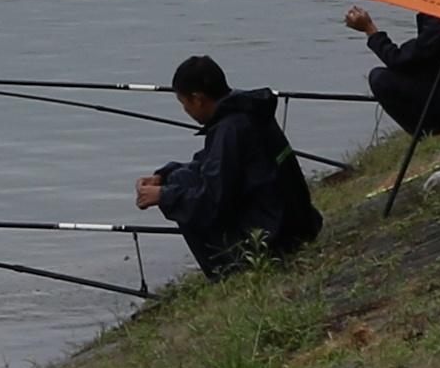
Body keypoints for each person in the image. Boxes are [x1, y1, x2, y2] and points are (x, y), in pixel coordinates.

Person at [133, 55, 320, 278]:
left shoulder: (229, 129)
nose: (186, 111)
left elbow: (211, 203)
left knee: (179, 193)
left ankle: (227, 271)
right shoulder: (247, 111)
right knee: (178, 178)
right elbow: (208, 163)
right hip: (297, 223)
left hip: (274, 239)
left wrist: (163, 196)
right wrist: (163, 176)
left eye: (184, 104)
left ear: (198, 99)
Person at [347, 5, 440, 133]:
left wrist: (370, 29)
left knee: (379, 78)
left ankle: (431, 132)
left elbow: (399, 60)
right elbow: (423, 58)